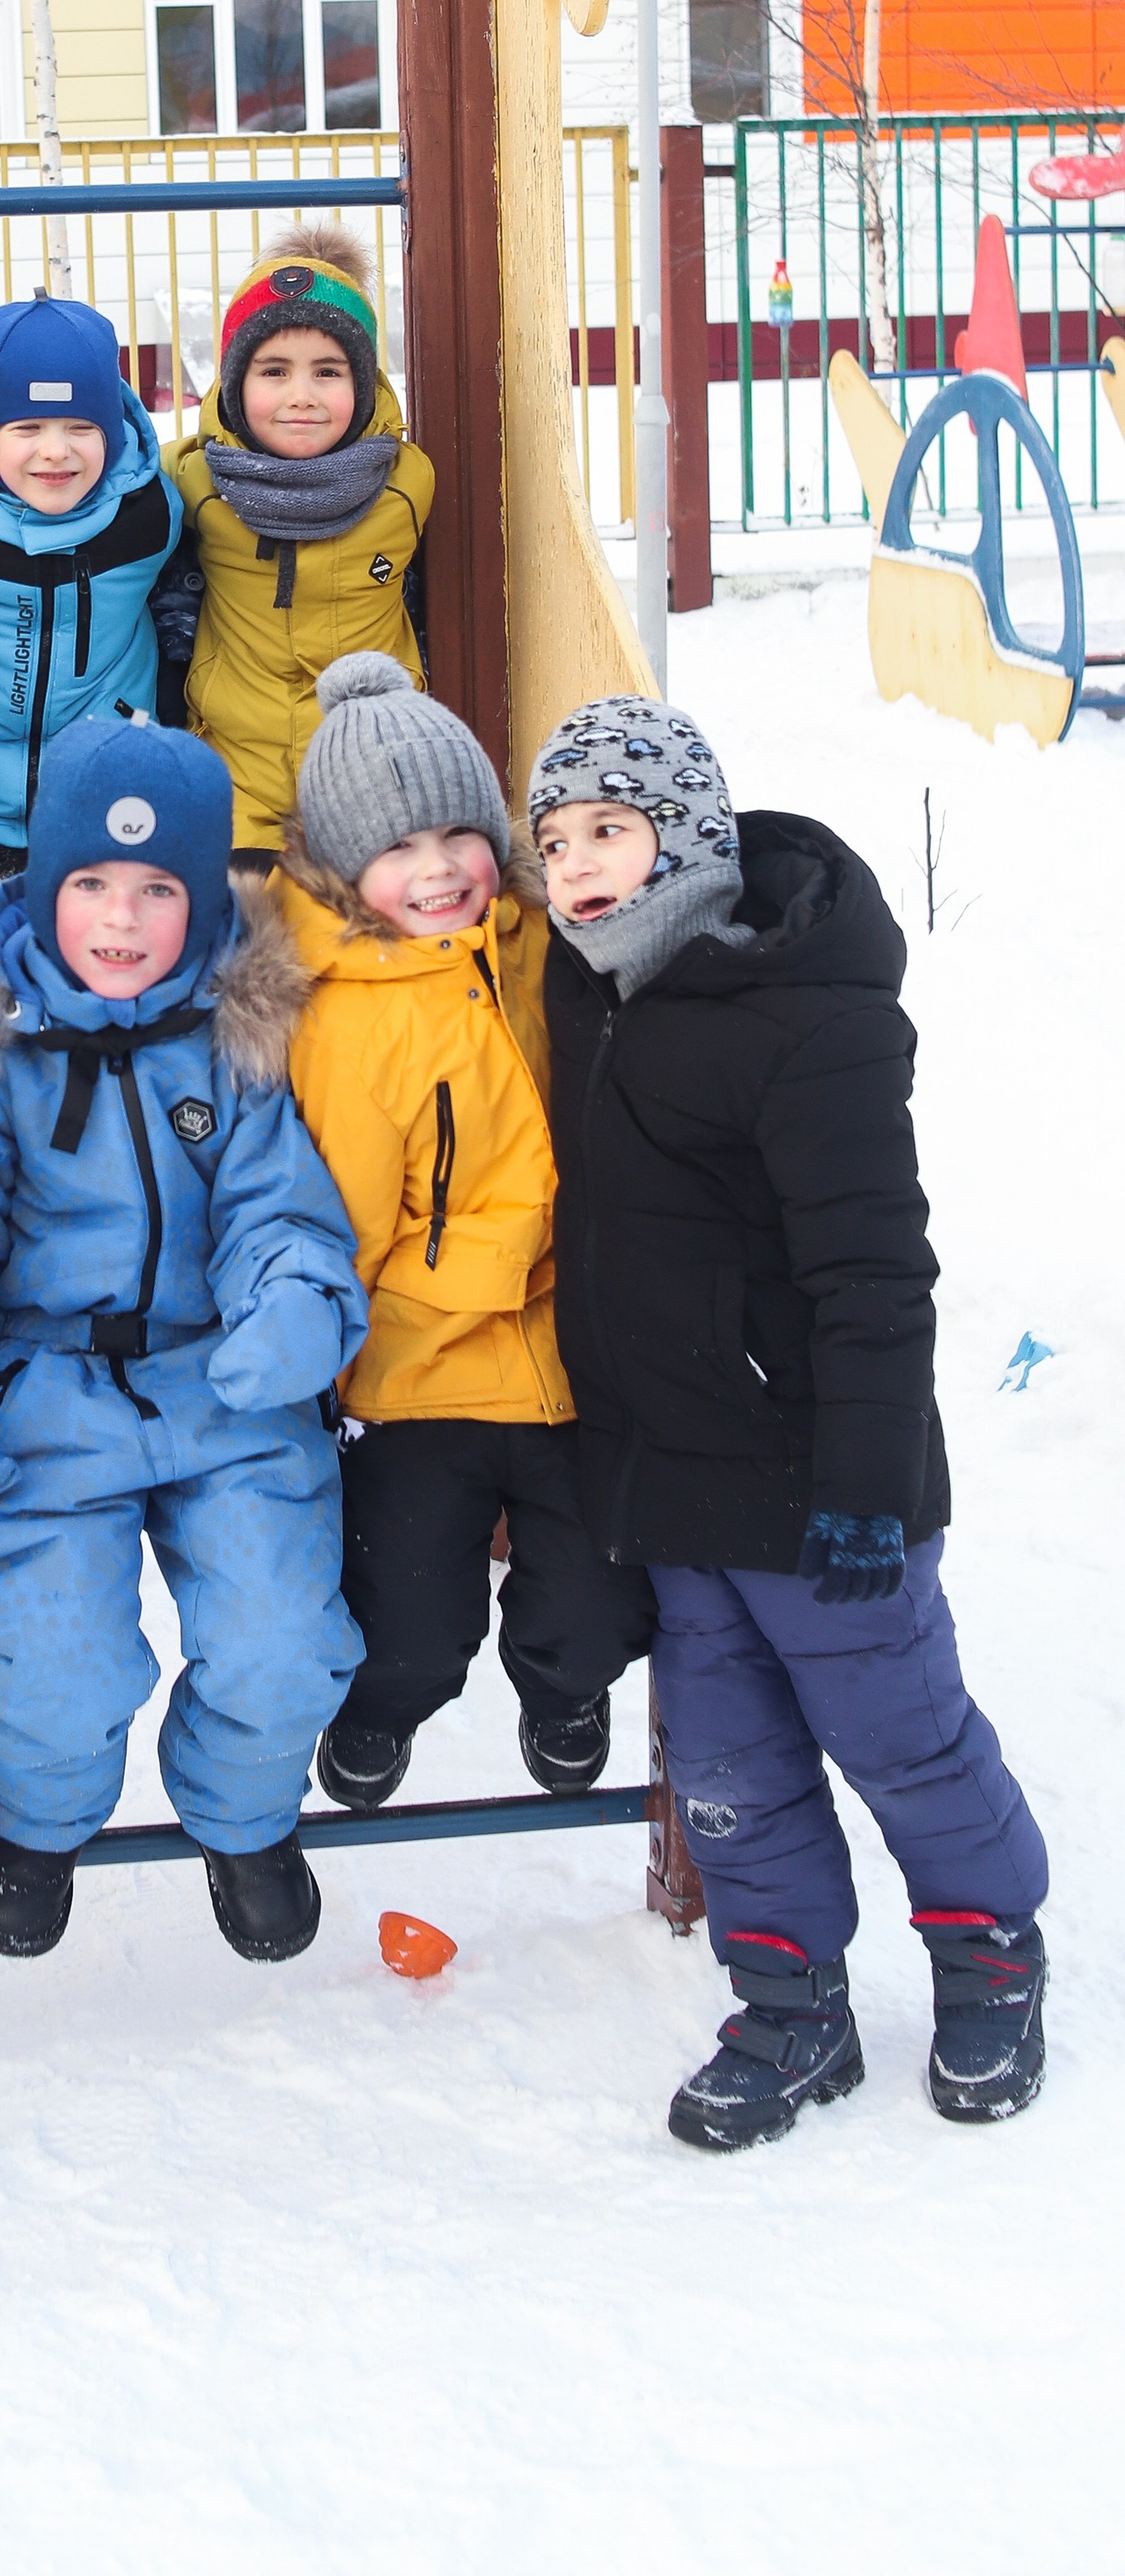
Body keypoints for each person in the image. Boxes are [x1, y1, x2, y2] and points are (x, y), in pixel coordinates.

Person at [531, 694, 1049, 2148]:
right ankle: (789, 1999)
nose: (576, 863)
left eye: (611, 830)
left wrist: (870, 1483)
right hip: (676, 1480)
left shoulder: (804, 1014)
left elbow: (875, 1269)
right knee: (728, 1761)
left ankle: (989, 1950)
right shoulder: (589, 989)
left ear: (686, 835)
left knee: (902, 1733)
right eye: (555, 836)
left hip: (822, 1480)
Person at [0, 710, 367, 1966]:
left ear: (201, 899)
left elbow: (275, 1209)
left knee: (279, 1632)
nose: (123, 921)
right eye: (91, 885)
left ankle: (244, 1818)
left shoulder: (234, 1040)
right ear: (42, 885)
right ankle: (35, 1824)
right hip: (48, 1389)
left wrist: (293, 1306)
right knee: (53, 1650)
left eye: (156, 890)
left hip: (220, 1384)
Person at [278, 656, 653, 1814]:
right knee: (410, 1620)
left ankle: (563, 1687)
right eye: (397, 848)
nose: (437, 868)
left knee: (602, 1600)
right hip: (419, 1371)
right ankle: (382, 1711)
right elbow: (347, 1237)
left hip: (570, 1357)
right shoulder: (348, 1024)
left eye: (459, 832)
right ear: (345, 871)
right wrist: (517, 1247)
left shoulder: (545, 948)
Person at [156, 226, 434, 865]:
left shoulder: (405, 483)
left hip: (369, 776)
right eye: (273, 371)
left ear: (363, 385)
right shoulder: (190, 480)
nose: (301, 396)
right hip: (234, 776)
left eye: (328, 372)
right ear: (232, 384)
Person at [0, 291, 181, 894]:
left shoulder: (149, 513)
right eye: (26, 428)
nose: (56, 450)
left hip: (106, 792)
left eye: (81, 427)